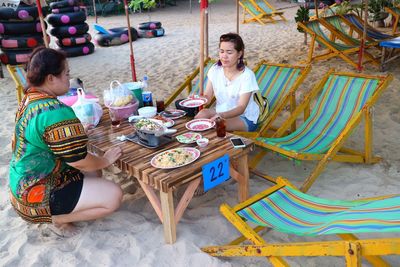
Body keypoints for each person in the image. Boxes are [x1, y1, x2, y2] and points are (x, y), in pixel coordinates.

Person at [8, 47, 123, 237]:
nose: (69, 78)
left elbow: (44, 138)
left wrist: (76, 135)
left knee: (94, 171)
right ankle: (56, 219)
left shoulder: (29, 98)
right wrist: (106, 159)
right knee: (113, 196)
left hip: (20, 187)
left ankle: (62, 211)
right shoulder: (54, 111)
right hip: (35, 192)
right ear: (51, 78)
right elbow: (78, 161)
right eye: (66, 73)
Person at [195, 32, 260, 132]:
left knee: (215, 125)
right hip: (221, 110)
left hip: (244, 116)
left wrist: (221, 115)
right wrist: (199, 100)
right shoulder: (215, 69)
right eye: (221, 51)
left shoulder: (247, 75)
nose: (224, 56)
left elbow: (241, 107)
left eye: (229, 52)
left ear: (239, 54)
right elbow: (207, 97)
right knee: (201, 115)